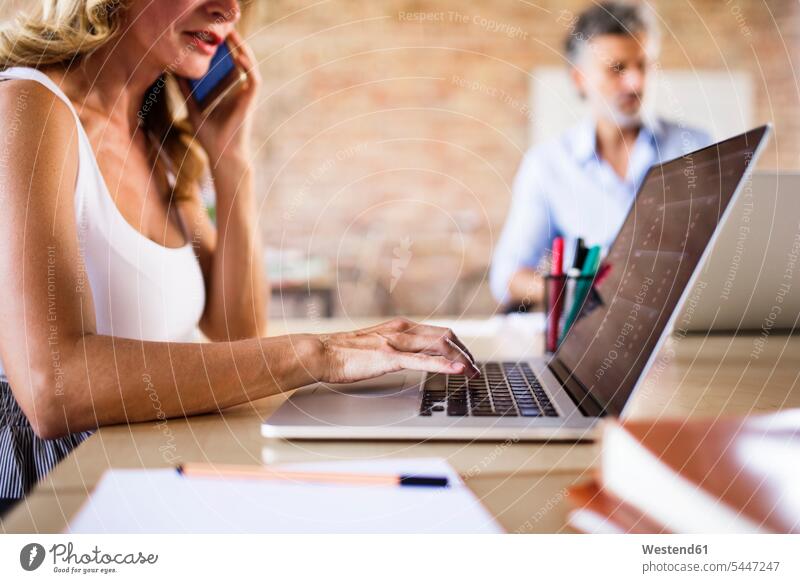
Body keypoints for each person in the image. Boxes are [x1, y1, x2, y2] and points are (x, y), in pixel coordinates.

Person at [0, 0, 478, 513]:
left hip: (148, 460)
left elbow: (236, 331)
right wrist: (319, 354)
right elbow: (54, 388)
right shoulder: (28, 106)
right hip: (52, 483)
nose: (228, 8)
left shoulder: (155, 134)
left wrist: (231, 161)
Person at [490, 1, 711, 308]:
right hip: (591, 335)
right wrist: (576, 293)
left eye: (643, 65)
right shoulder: (547, 165)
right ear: (580, 78)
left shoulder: (697, 148)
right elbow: (507, 277)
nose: (636, 82)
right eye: (617, 68)